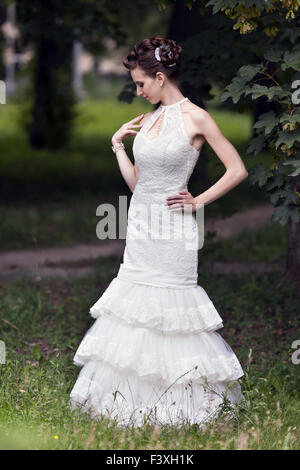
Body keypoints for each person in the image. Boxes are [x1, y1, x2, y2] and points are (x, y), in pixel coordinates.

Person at [69, 36, 248, 429]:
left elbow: (237, 169)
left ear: (161, 77)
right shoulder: (147, 120)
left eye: (140, 84)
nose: (138, 90)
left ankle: (182, 407)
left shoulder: (196, 118)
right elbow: (140, 185)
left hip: (174, 232)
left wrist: (198, 201)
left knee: (172, 313)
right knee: (136, 311)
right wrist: (118, 145)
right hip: (140, 229)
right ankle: (128, 405)